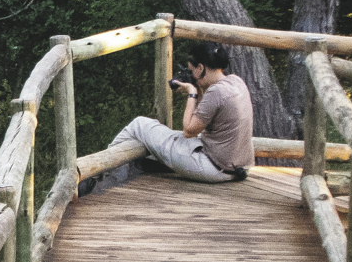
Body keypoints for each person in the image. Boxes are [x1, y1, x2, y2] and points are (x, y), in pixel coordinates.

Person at [108, 44, 254, 183]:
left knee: (139, 124)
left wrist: (191, 93)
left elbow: (189, 131)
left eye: (191, 70)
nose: (192, 74)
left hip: (213, 168)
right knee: (159, 140)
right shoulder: (236, 81)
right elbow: (206, 113)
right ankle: (129, 168)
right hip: (236, 168)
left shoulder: (216, 92)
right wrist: (198, 88)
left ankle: (106, 174)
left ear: (200, 68)